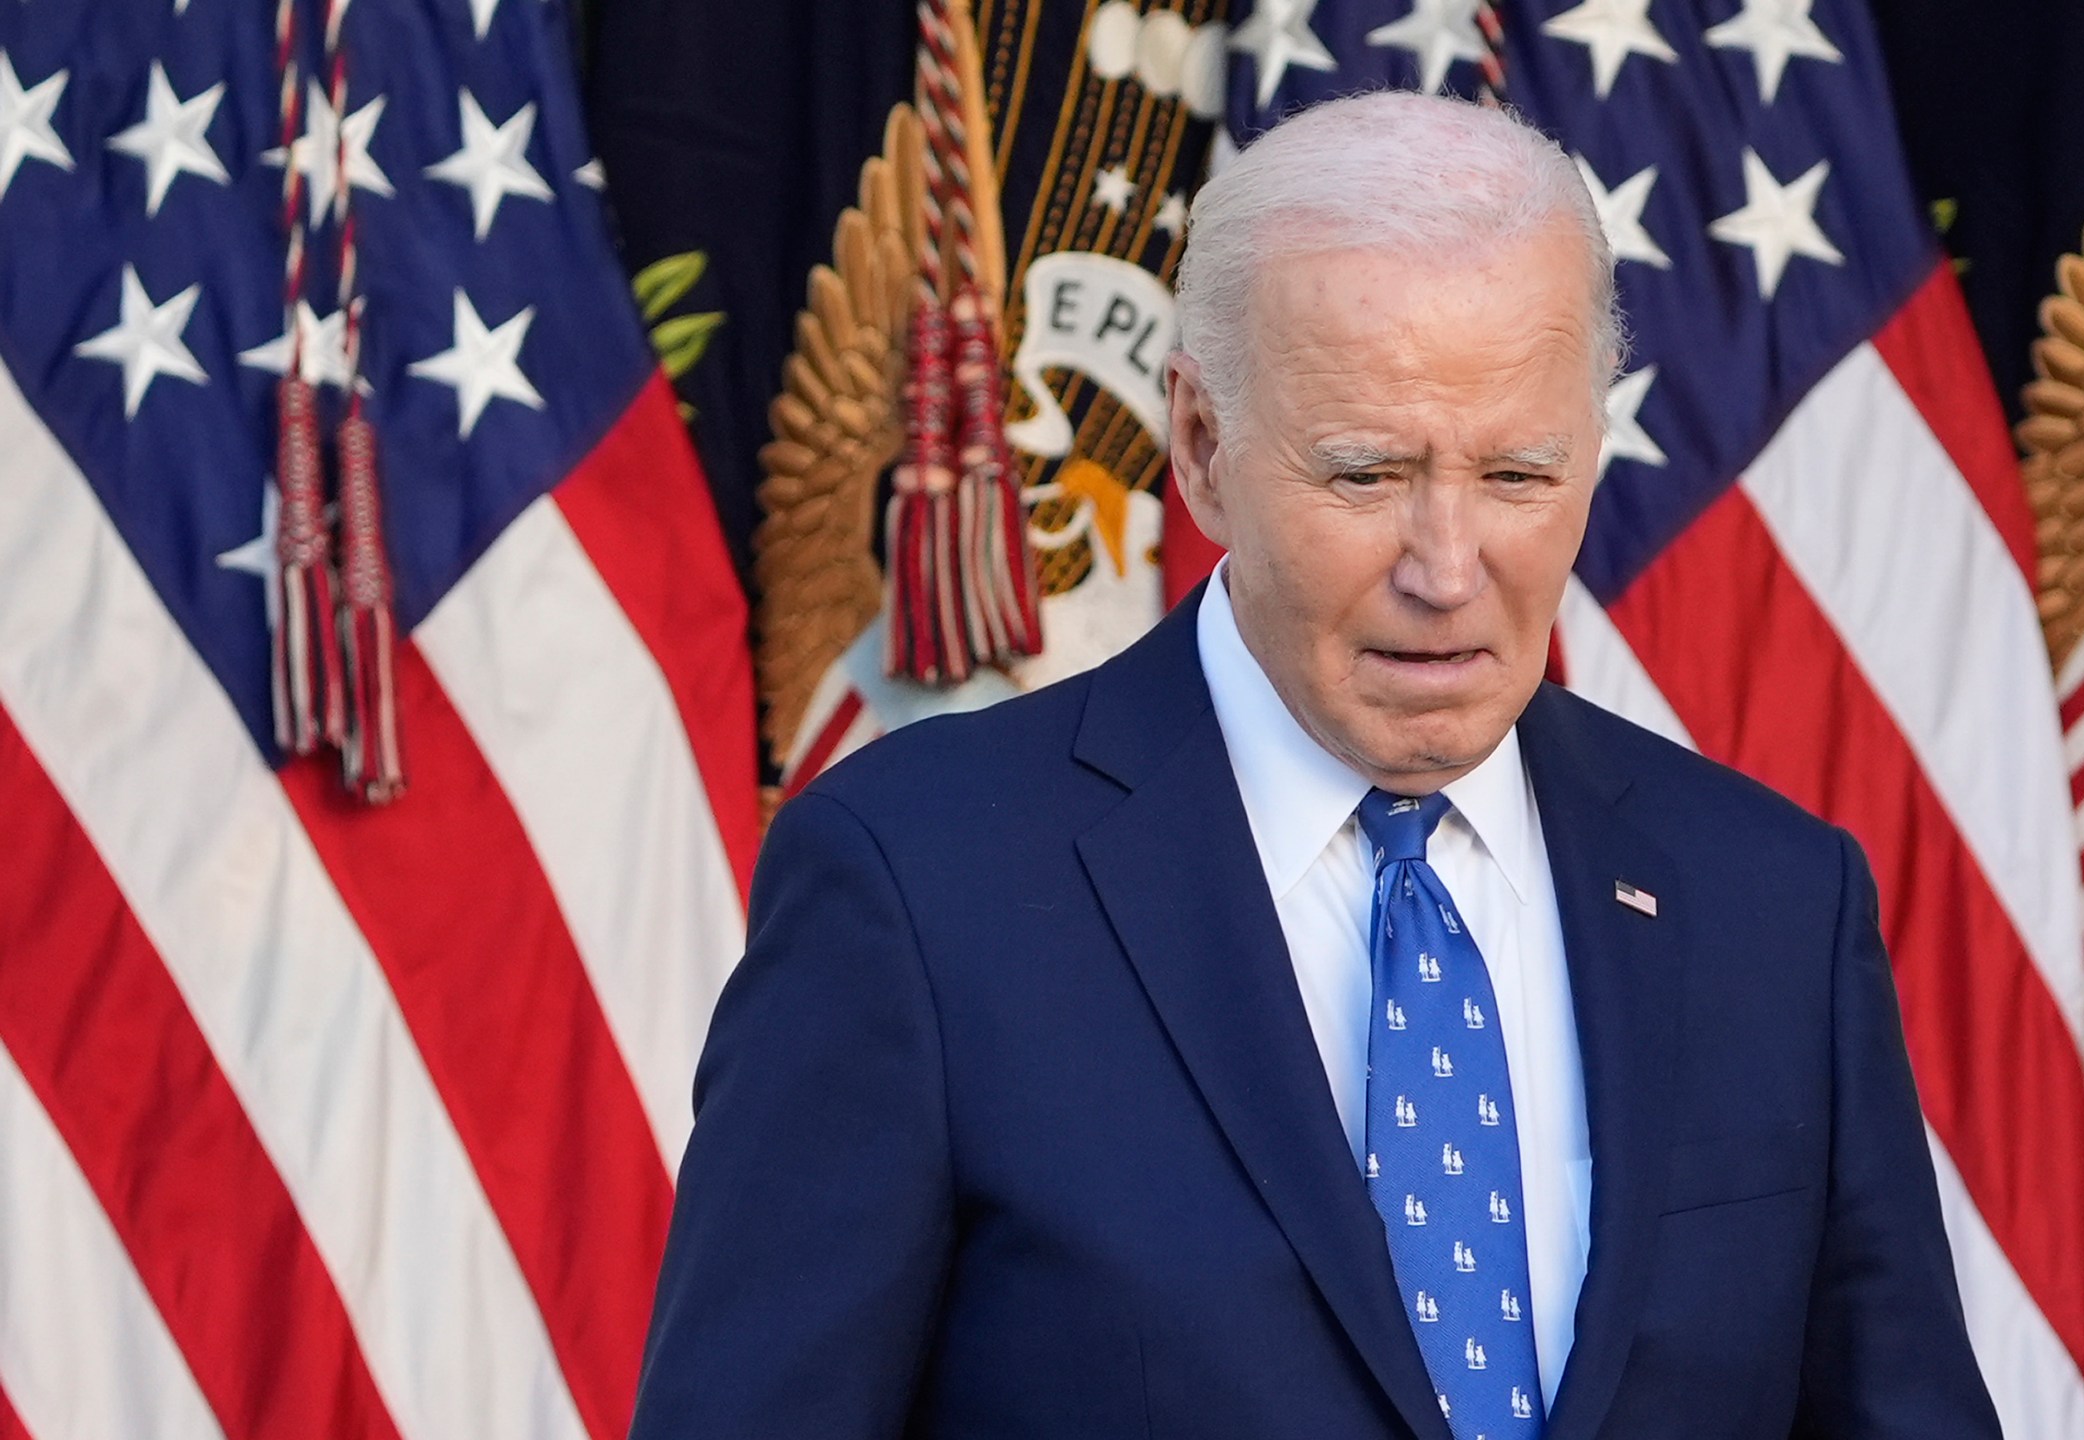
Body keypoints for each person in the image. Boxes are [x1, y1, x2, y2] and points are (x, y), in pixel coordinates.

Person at [628, 91, 2000, 1440]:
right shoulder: (914, 891)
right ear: (1204, 449)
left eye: (1518, 477)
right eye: (1365, 476)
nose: (1449, 570)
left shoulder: (1774, 902)